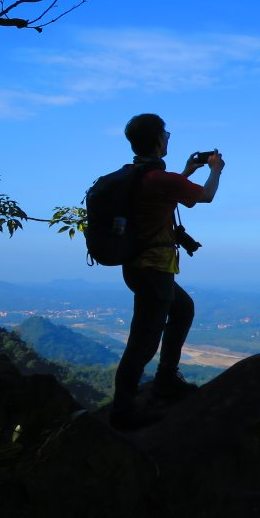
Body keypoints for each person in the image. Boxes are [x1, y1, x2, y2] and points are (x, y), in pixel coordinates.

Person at [109, 113, 225, 430]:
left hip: (137, 267)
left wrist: (188, 171)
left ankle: (165, 379)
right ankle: (123, 413)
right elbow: (205, 196)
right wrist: (215, 170)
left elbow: (171, 199)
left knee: (183, 309)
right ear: (159, 139)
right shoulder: (158, 179)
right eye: (166, 133)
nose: (168, 138)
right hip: (153, 270)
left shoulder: (137, 175)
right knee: (142, 344)